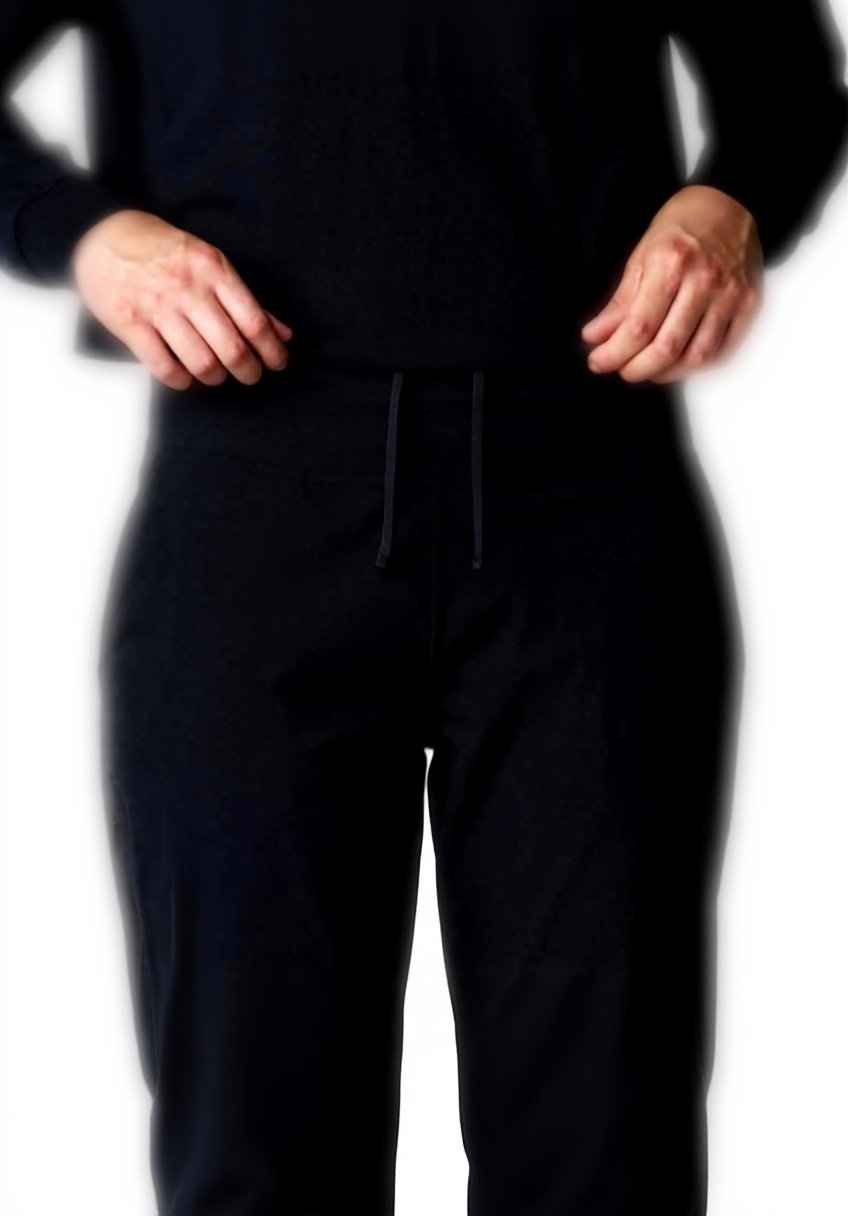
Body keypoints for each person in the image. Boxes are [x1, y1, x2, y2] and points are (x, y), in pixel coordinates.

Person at [3, 2, 848, 1213]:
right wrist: (84, 235)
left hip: (585, 500)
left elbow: (785, 92)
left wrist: (728, 206)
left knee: (602, 1154)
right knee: (255, 1151)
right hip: (253, 500)